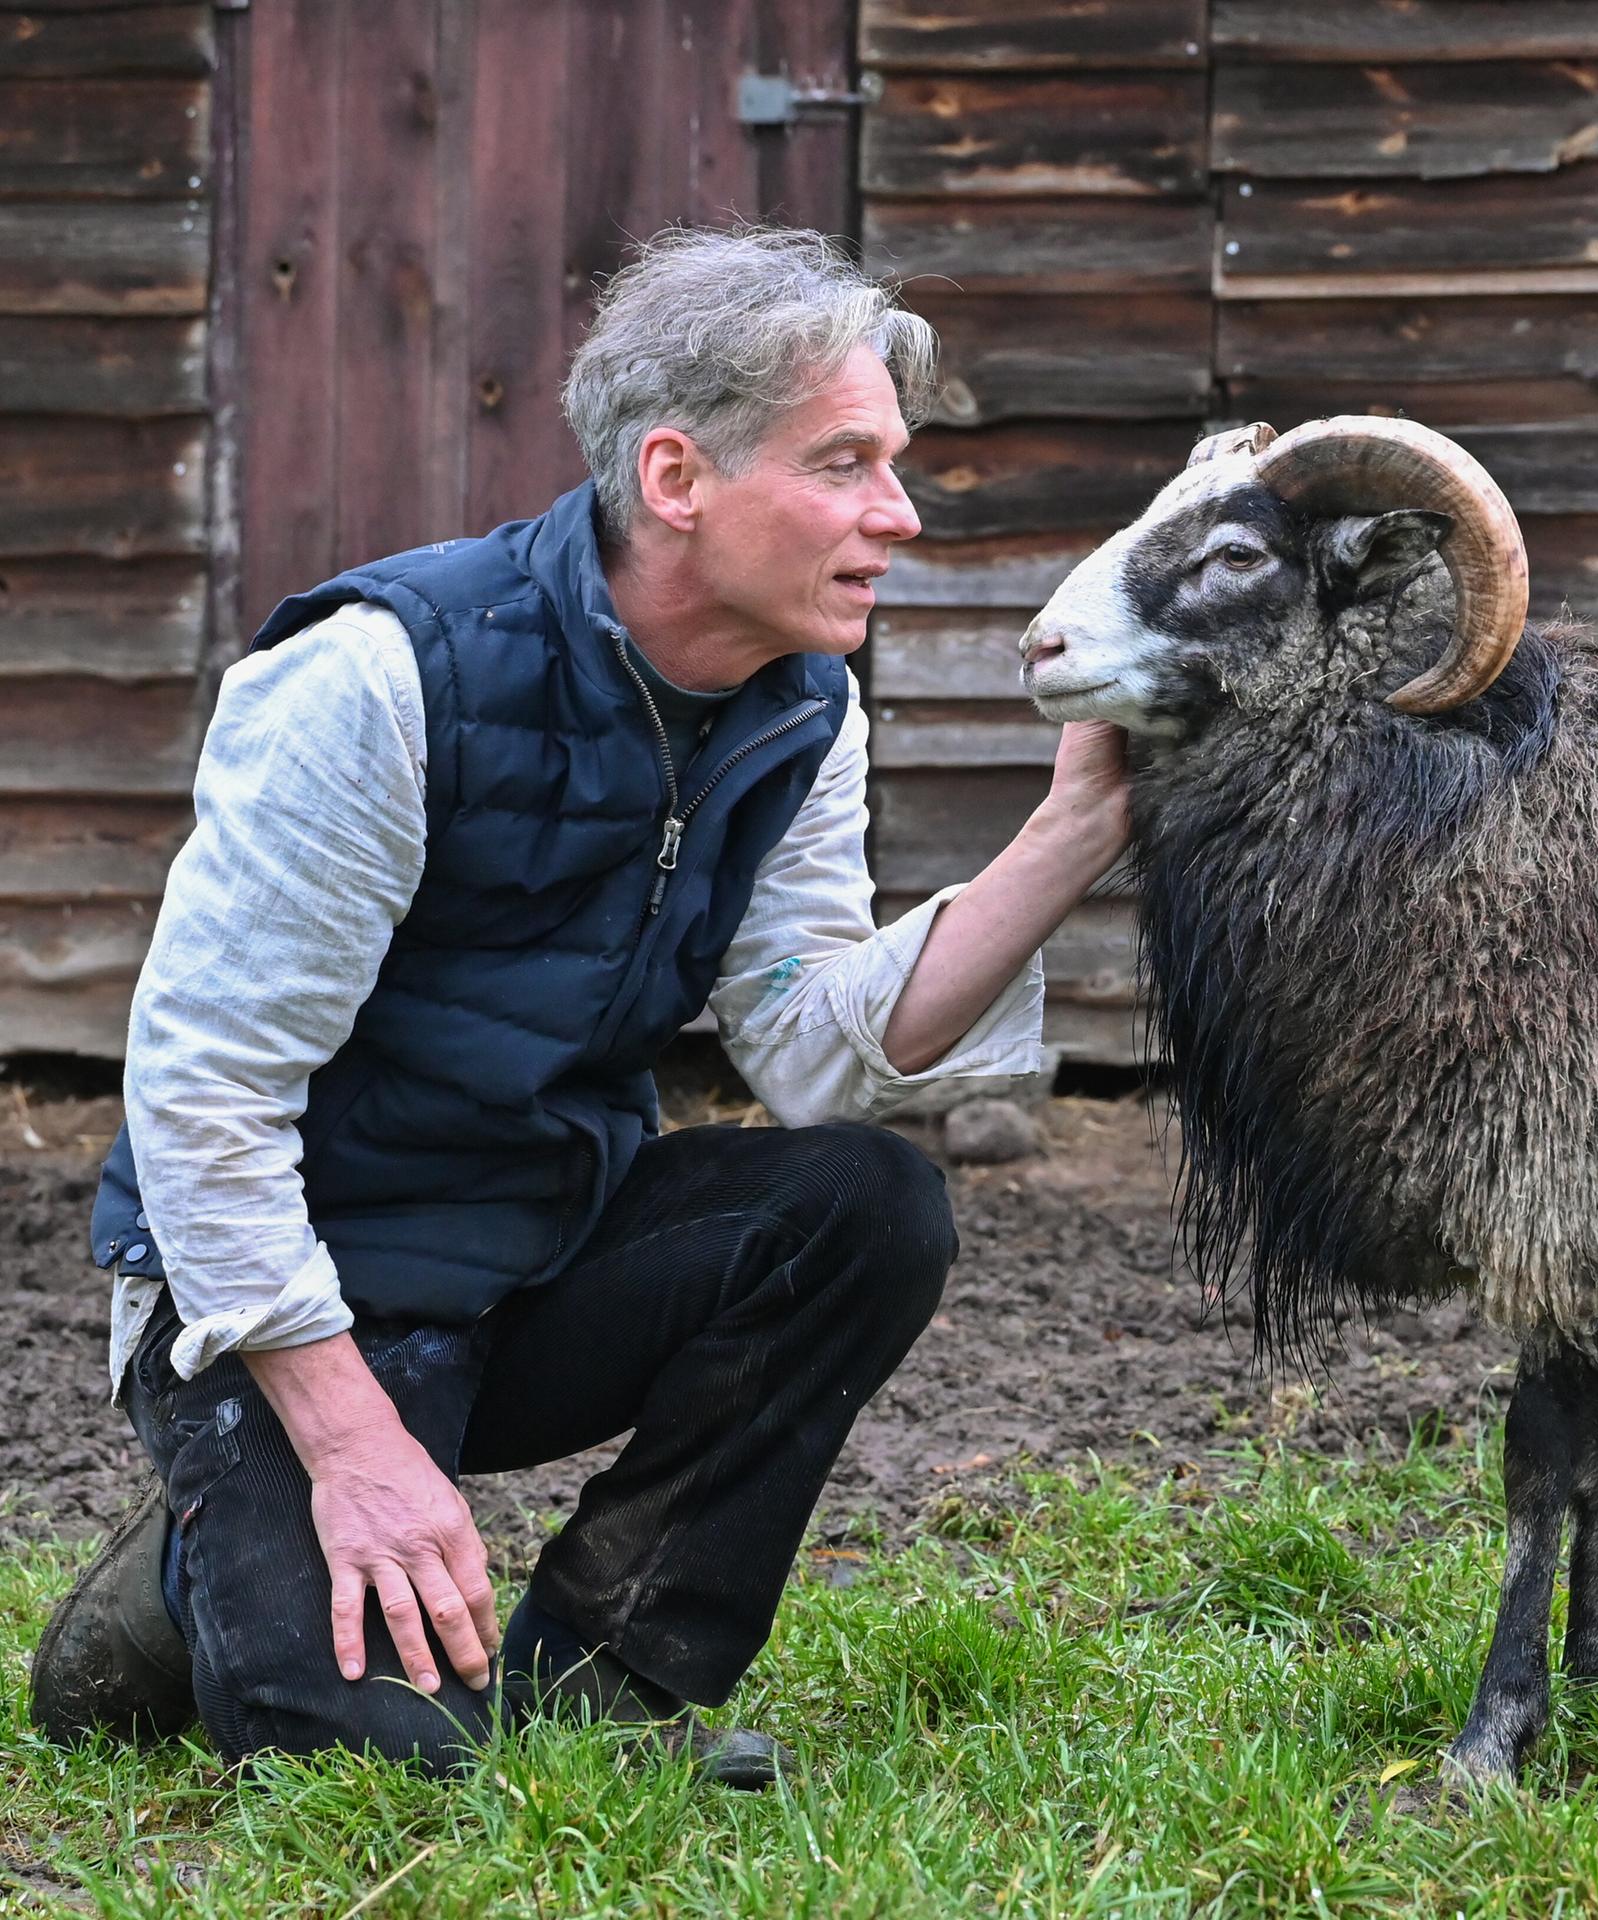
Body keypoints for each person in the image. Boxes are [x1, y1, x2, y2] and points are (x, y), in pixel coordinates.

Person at [28, 227, 1130, 1785]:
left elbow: (817, 1051)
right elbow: (199, 1098)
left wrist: (1082, 822)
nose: (899, 512)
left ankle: (603, 1675)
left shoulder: (800, 704)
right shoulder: (381, 680)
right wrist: (354, 1459)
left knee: (867, 1204)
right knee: (372, 1764)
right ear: (676, 479)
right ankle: (186, 1572)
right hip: (288, 1295)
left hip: (538, 1247)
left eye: (895, 461)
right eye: (845, 463)